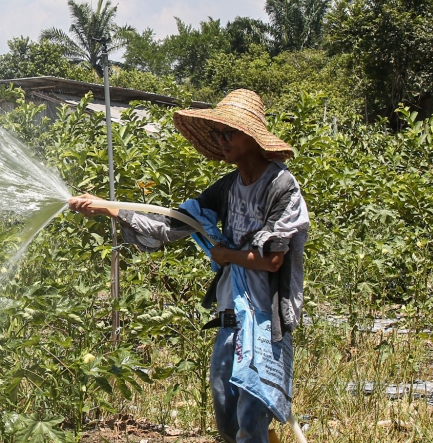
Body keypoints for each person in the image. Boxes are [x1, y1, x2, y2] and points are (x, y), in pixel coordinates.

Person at [67, 89, 309, 443]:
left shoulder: (281, 187)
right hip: (231, 317)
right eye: (218, 134)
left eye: (230, 133)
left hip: (264, 321)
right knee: (227, 419)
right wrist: (107, 208)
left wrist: (228, 256)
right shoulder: (226, 188)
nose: (223, 140)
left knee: (249, 423)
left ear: (253, 137)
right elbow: (174, 223)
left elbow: (273, 259)